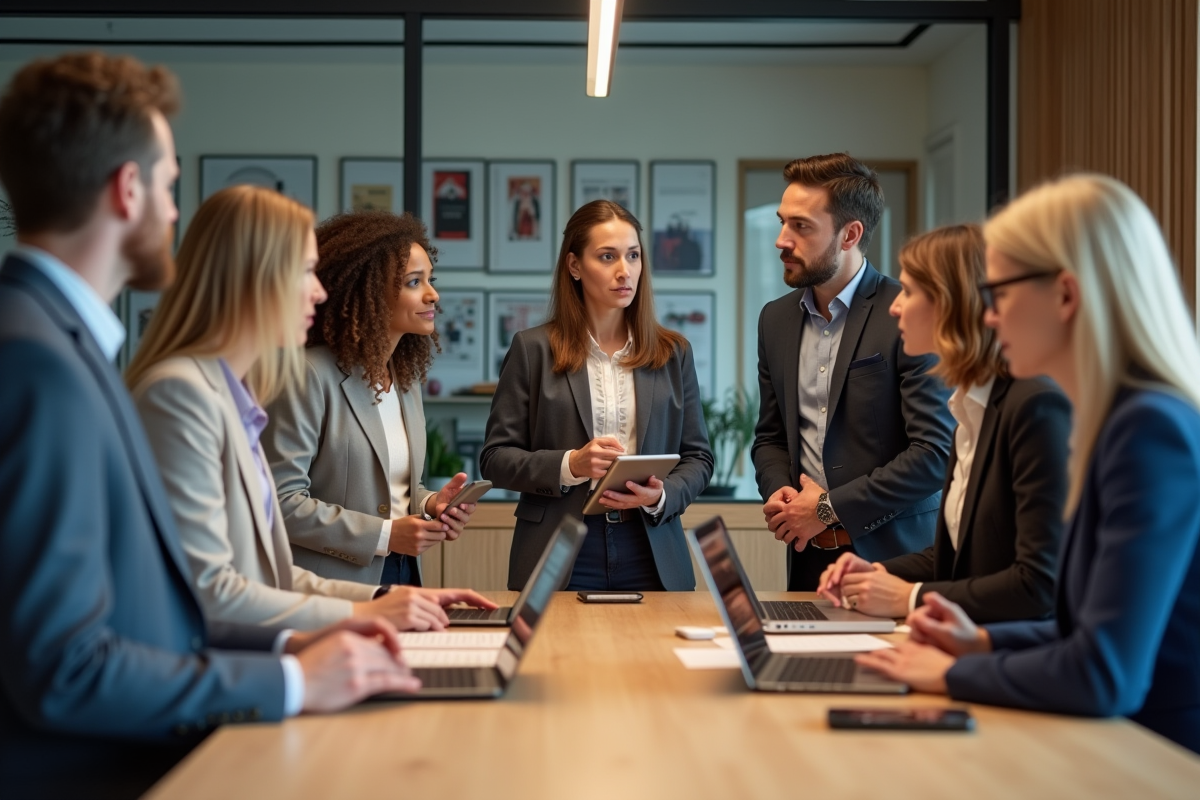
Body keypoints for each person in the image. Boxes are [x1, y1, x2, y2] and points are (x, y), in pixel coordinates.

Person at [0, 53, 418, 799]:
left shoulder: (62, 347)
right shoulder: (42, 365)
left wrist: (331, 634)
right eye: (167, 184)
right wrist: (293, 679)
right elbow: (70, 666)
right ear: (127, 190)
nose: (172, 211)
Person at [857, 174, 1200, 755]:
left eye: (1002, 294)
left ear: (1065, 295)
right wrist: (983, 645)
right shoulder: (1118, 418)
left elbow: (1105, 672)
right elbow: (1081, 630)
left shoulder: (1147, 430)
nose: (988, 317)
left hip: (1153, 757)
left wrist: (946, 673)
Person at [126, 186, 496, 632]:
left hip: (329, 605)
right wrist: (354, 618)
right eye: (305, 271)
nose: (321, 292)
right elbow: (214, 588)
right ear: (253, 277)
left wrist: (386, 598)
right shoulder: (184, 395)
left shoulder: (232, 395)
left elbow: (268, 575)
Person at [815, 225, 1070, 622]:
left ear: (955, 303)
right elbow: (955, 556)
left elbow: (1039, 585)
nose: (895, 306)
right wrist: (878, 573)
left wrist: (910, 598)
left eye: (911, 292)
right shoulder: (970, 409)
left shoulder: (1034, 405)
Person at [480, 199, 714, 591]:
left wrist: (662, 494)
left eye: (633, 256)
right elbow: (495, 458)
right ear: (574, 266)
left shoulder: (673, 353)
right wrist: (571, 464)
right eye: (607, 256)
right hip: (559, 548)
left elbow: (699, 457)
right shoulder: (532, 349)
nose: (625, 271)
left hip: (651, 546)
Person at [752, 153, 955, 591]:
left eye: (801, 226)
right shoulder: (775, 320)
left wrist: (827, 508)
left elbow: (935, 453)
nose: (781, 240)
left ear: (850, 234)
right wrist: (780, 496)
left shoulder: (907, 313)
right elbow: (770, 437)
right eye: (782, 222)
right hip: (807, 558)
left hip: (896, 562)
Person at [264, 210, 476, 587]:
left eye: (431, 279)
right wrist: (384, 535)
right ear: (369, 292)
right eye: (414, 282)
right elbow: (280, 502)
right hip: (331, 587)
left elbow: (388, 492)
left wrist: (429, 504)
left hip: (403, 572)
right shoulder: (309, 375)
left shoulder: (405, 381)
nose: (433, 294)